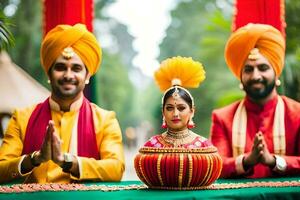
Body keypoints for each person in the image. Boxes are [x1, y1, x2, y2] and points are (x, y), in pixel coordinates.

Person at [0, 24, 125, 183]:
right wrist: (35, 159)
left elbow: (116, 168)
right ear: (49, 73)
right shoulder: (22, 118)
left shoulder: (105, 120)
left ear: (87, 76)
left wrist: (68, 161)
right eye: (60, 67)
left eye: (76, 68)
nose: (68, 75)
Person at [210, 23, 300, 178]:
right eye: (248, 69)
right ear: (240, 75)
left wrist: (273, 161)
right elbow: (214, 165)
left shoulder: (297, 114)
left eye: (263, 68)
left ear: (276, 72)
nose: (256, 76)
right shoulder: (222, 118)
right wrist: (246, 161)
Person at [143, 56, 211, 148]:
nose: (175, 113)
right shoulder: (151, 145)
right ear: (163, 112)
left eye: (181, 108)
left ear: (192, 111)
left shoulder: (204, 145)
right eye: (169, 108)